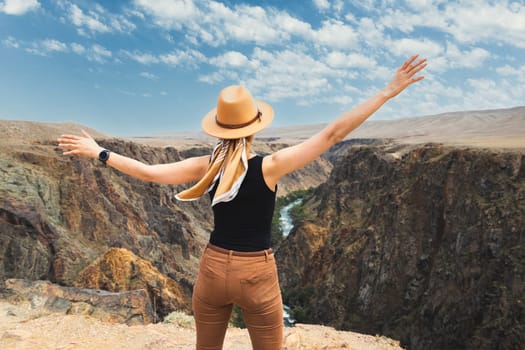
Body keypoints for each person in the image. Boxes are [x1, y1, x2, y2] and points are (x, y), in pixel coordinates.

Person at [58, 54, 427, 350]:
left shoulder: (206, 165)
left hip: (214, 269)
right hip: (257, 274)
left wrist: (99, 152)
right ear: (254, 127)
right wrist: (386, 92)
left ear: (219, 126)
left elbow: (149, 172)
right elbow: (333, 134)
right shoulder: (270, 167)